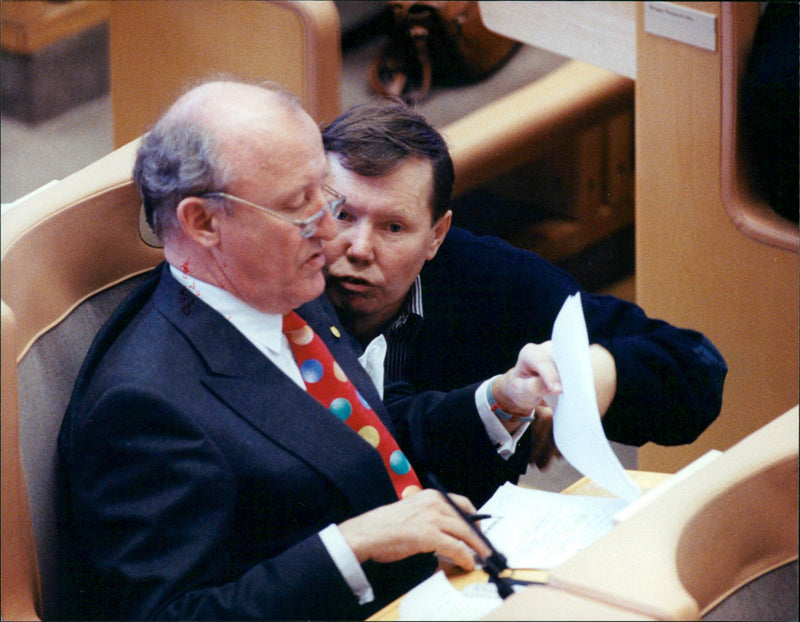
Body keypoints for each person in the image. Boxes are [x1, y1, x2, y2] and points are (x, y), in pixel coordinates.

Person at [57, 81, 569, 620]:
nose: (330, 233)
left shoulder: (279, 286)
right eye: (298, 205)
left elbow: (351, 438)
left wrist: (498, 401)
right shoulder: (143, 407)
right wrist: (351, 546)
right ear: (203, 222)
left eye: (322, 193)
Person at [322, 99, 728, 451]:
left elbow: (696, 368)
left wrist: (597, 373)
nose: (359, 249)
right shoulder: (288, 274)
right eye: (342, 215)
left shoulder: (489, 278)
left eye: (393, 227)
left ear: (436, 236)